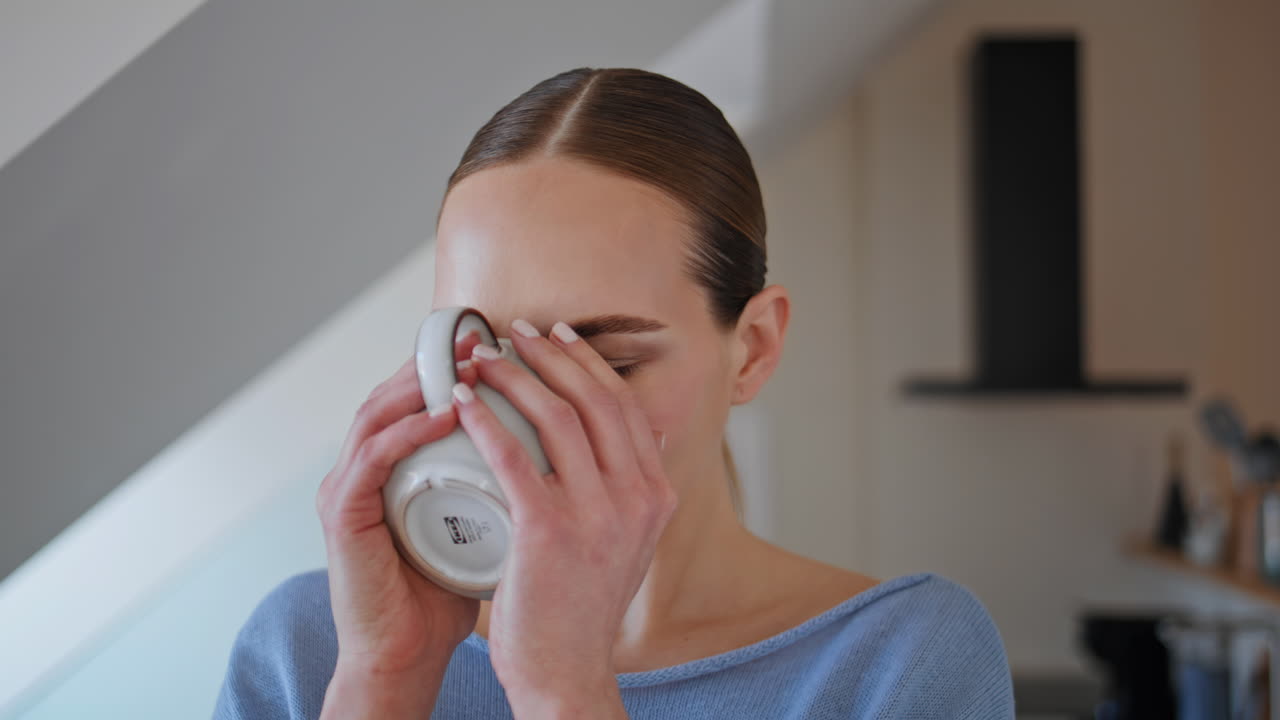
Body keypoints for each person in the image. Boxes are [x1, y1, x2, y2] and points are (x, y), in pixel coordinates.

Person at [212, 66, 1014, 719]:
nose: (527, 418)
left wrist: (565, 691)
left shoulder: (902, 663)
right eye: (484, 354)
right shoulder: (315, 647)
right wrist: (386, 680)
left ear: (754, 349)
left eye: (610, 365)